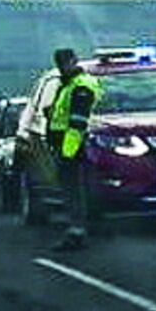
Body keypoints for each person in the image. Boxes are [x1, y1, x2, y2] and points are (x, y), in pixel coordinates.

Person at [47, 48, 102, 251]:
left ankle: (77, 232)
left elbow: (77, 123)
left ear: (73, 61)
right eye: (59, 63)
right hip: (68, 145)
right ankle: (78, 229)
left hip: (74, 147)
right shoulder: (69, 84)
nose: (62, 67)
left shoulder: (81, 85)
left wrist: (68, 153)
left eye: (64, 62)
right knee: (73, 190)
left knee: (74, 190)